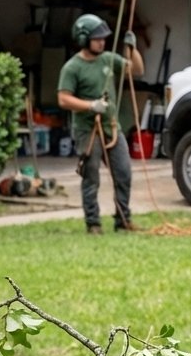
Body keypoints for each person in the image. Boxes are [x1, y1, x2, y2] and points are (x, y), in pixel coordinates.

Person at [58, 13, 145, 234]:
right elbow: (63, 98)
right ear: (84, 39)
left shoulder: (108, 59)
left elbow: (136, 70)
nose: (102, 41)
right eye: (97, 38)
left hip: (112, 127)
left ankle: (123, 221)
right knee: (91, 177)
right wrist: (90, 106)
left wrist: (132, 49)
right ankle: (93, 223)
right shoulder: (72, 67)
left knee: (124, 173)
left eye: (103, 38)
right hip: (88, 130)